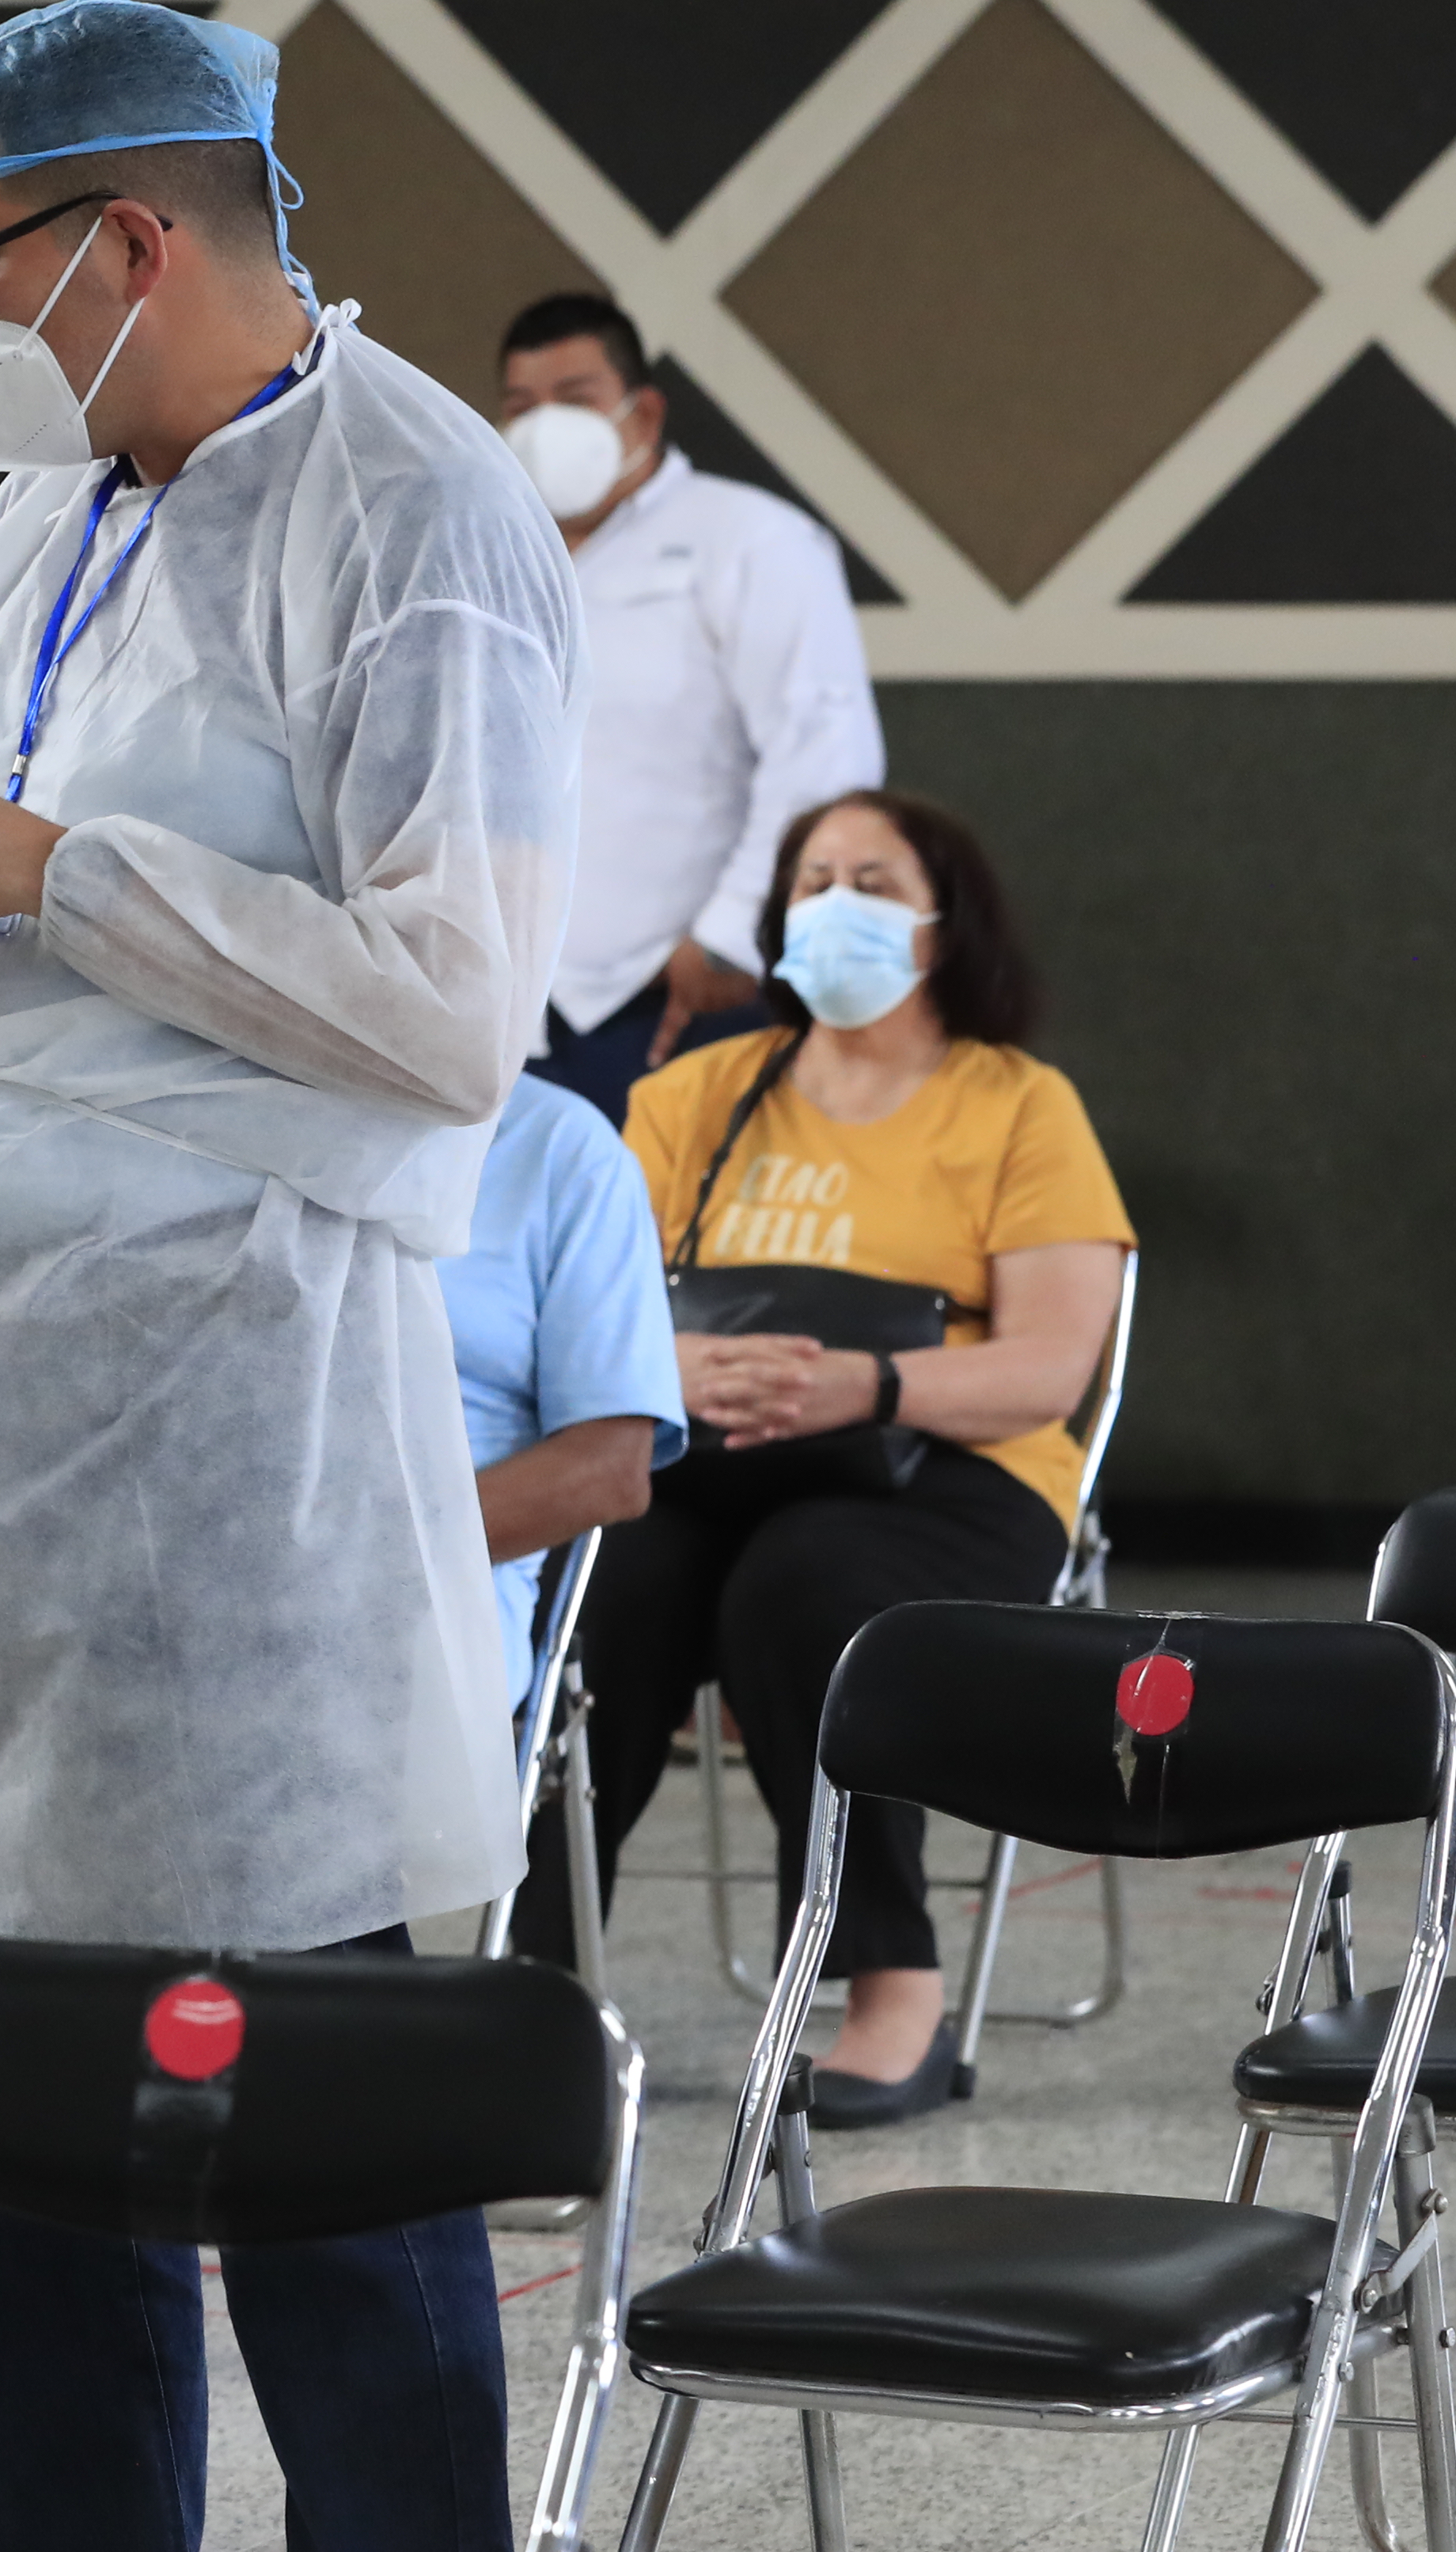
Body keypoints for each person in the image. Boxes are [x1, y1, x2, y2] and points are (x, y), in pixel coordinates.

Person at [0, 0, 577, 2552]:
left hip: (236, 1451)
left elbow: (452, 1011)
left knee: (298, 2128)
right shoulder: (33, 516)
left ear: (129, 237)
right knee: (30, 2153)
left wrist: (52, 870)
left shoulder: (422, 515)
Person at [511, 789, 1132, 2123]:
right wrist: (665, 1371)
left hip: (951, 1469)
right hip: (709, 1450)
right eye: (809, 878)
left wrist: (873, 1382)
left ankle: (889, 1987)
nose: (830, 900)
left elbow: (1049, 1369)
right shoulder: (691, 1093)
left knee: (802, 1587)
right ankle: (534, 1991)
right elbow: (585, 1312)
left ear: (940, 921)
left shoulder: (1019, 1105)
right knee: (605, 1584)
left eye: (869, 877)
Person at [495, 295, 884, 1126]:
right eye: (522, 406)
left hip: (683, 999)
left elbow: (825, 755)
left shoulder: (752, 540)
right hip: (509, 1005)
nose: (545, 425)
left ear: (645, 410)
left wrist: (732, 939)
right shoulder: (491, 554)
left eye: (576, 397)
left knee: (683, 1249)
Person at [438, 1073, 687, 1713]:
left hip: (422, 1604)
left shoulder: (558, 1147)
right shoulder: (188, 1108)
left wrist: (344, 1559)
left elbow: (609, 1469)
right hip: (183, 1570)